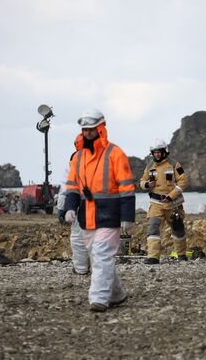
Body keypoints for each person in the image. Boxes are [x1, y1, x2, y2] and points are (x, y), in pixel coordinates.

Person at [64, 109, 136, 312]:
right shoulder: (78, 158)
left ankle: (99, 299)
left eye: (91, 129)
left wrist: (127, 216)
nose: (87, 133)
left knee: (102, 254)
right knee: (98, 257)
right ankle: (117, 294)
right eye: (84, 129)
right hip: (87, 216)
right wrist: (70, 207)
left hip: (110, 215)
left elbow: (127, 186)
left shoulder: (115, 154)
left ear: (100, 128)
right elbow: (72, 186)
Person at [139, 138, 188, 264]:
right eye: (155, 152)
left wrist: (172, 195)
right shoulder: (149, 166)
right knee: (153, 227)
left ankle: (181, 254)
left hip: (172, 204)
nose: (157, 154)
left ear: (164, 151)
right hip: (156, 204)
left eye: (159, 152)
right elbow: (141, 182)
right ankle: (153, 257)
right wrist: (147, 185)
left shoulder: (174, 164)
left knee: (178, 229)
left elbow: (183, 181)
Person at [57, 135, 89, 275]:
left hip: (80, 203)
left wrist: (62, 208)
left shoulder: (73, 162)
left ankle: (82, 268)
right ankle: (99, 269)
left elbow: (66, 188)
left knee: (78, 237)